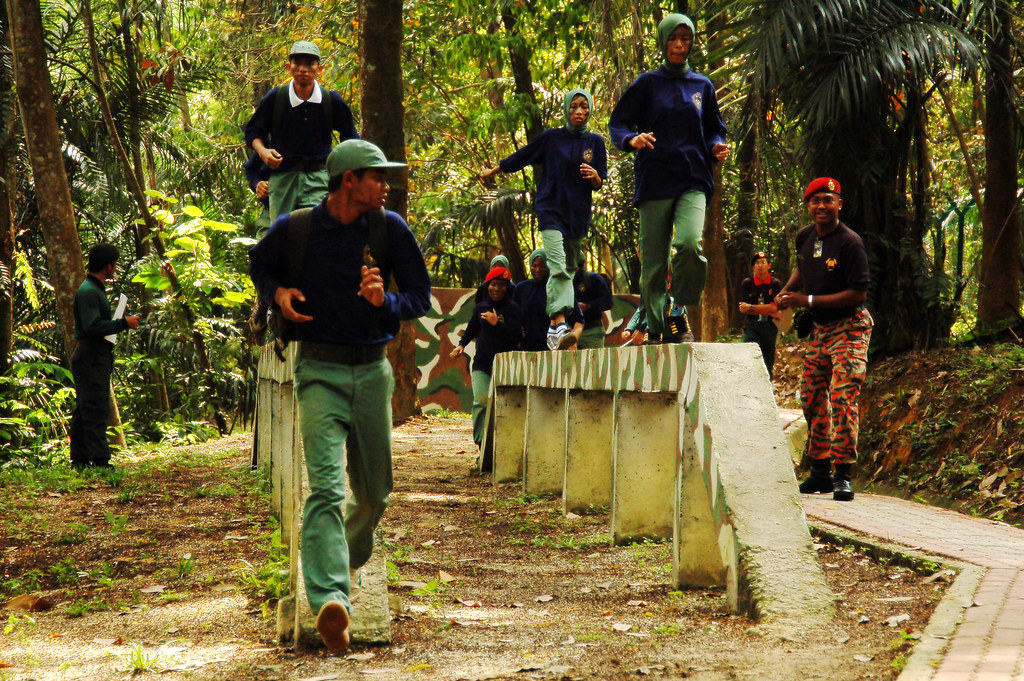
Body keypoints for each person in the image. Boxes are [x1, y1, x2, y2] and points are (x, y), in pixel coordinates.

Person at [248, 139, 431, 651]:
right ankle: (332, 600)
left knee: (373, 494)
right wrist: (277, 294)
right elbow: (261, 265)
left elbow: (419, 295)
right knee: (326, 489)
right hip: (319, 371)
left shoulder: (388, 229)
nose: (386, 185)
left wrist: (385, 299)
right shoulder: (297, 228)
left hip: (372, 374)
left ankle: (340, 561)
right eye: (377, 177)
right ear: (349, 181)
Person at [608, 13, 729, 344]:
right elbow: (618, 123)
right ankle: (660, 331)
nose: (679, 44)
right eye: (673, 39)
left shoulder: (702, 86)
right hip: (655, 179)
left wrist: (717, 144)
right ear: (663, 42)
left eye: (685, 39)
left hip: (693, 176)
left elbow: (714, 126)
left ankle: (678, 308)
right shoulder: (647, 84)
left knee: (689, 243)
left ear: (691, 43)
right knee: (654, 269)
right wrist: (631, 140)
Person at [481, 88, 607, 351]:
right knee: (558, 265)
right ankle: (560, 322)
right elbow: (523, 155)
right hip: (550, 210)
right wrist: (495, 169)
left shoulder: (596, 143)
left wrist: (595, 175)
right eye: (573, 107)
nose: (579, 111)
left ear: (590, 110)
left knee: (569, 269)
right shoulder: (552, 138)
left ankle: (553, 327)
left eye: (584, 106)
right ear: (566, 110)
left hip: (577, 216)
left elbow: (599, 183)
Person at [776, 178, 871, 502]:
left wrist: (808, 301)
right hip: (821, 330)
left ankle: (843, 473)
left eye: (827, 200)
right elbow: (802, 269)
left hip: (851, 327)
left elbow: (858, 293)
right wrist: (788, 291)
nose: (821, 206)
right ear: (808, 205)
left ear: (839, 205)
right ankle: (820, 471)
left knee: (843, 397)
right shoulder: (806, 237)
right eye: (815, 200)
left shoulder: (850, 243)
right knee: (811, 395)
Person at [244, 40, 359, 223]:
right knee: (281, 235)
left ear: (319, 68)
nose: (303, 69)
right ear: (289, 67)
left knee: (318, 231)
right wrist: (263, 151)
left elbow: (351, 139)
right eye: (298, 63)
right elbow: (253, 132)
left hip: (319, 179)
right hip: (283, 180)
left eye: (309, 64)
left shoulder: (331, 101)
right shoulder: (276, 98)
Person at [70, 244, 140, 469]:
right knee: (94, 407)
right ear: (108, 266)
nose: (115, 268)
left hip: (94, 354)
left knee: (84, 407)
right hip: (90, 355)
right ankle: (100, 460)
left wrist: (121, 323)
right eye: (115, 264)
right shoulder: (89, 291)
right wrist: (123, 323)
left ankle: (80, 459)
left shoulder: (94, 288)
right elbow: (92, 326)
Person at [450, 265, 522, 448]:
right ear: (487, 285)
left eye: (501, 285)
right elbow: (471, 329)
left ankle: (503, 446)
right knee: (480, 401)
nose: (496, 288)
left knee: (504, 406)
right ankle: (481, 443)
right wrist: (460, 345)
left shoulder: (513, 309)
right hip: (482, 364)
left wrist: (497, 324)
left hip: (505, 366)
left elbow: (516, 336)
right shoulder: (480, 308)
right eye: (493, 284)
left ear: (507, 288)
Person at [738, 251, 783, 376]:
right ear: (753, 267)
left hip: (769, 327)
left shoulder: (775, 284)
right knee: (747, 357)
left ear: (769, 265)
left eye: (763, 262)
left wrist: (751, 307)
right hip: (752, 326)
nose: (760, 265)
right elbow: (742, 308)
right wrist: (766, 309)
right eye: (757, 263)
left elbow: (775, 309)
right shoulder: (747, 283)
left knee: (768, 361)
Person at [572, 264, 612, 349]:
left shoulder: (591, 278)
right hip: (570, 333)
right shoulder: (563, 280)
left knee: (594, 361)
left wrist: (588, 306)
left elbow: (608, 302)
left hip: (592, 332)